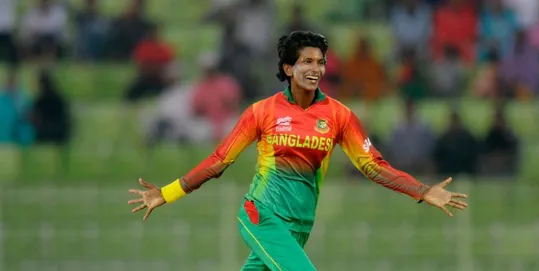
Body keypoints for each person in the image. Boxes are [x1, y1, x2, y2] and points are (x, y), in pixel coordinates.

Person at [127, 31, 469, 271]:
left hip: (301, 225)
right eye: (306, 61)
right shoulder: (262, 112)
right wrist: (167, 193)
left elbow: (373, 166)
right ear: (289, 68)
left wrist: (423, 192)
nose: (315, 68)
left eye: (320, 62)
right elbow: (219, 162)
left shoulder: (339, 115)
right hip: (262, 215)